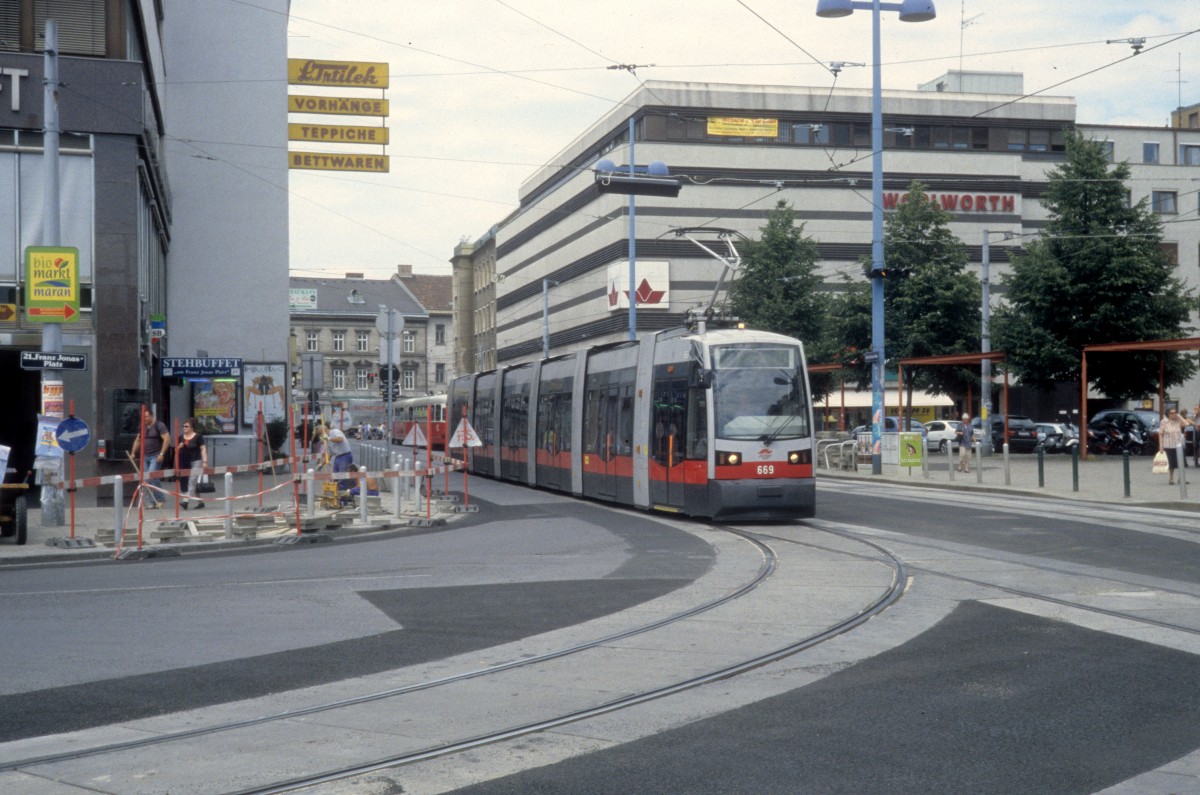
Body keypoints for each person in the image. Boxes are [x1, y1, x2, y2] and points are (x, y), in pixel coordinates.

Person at [129, 411, 170, 508]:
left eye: (146, 417)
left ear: (152, 416)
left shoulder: (159, 425)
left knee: (152, 476)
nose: (145, 419)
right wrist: (133, 452)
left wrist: (162, 453)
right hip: (145, 456)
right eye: (143, 417)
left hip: (155, 456)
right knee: (146, 479)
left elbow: (167, 439)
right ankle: (150, 502)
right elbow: (138, 440)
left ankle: (160, 499)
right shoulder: (142, 427)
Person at [176, 418, 208, 510]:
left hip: (196, 461)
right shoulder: (181, 437)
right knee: (186, 482)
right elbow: (176, 451)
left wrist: (205, 461)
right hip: (185, 461)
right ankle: (200, 502)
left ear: (192, 428)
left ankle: (185, 501)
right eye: (183, 426)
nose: (184, 428)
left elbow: (203, 449)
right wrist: (179, 447)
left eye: (186, 426)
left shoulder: (198, 437)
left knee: (192, 480)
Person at [1159, 406, 1191, 486]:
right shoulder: (1164, 421)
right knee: (1171, 464)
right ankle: (1171, 479)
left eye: (1175, 413)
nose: (1174, 414)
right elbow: (1161, 433)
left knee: (1181, 463)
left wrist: (1180, 416)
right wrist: (1161, 446)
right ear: (1168, 414)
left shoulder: (1178, 420)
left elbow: (1187, 424)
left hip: (1178, 445)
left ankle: (1181, 478)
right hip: (1169, 445)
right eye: (1172, 413)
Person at [328, 427, 355, 493]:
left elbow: (340, 439)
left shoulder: (334, 431)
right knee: (334, 477)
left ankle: (343, 496)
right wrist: (322, 463)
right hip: (338, 457)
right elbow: (330, 453)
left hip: (344, 456)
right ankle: (335, 493)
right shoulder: (328, 440)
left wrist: (329, 438)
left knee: (342, 478)